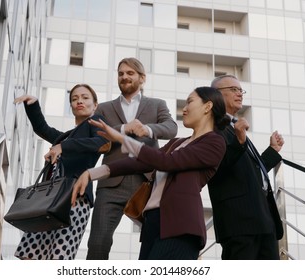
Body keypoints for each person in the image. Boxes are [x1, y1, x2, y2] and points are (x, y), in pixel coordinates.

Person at [72, 86, 230, 260]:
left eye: (189, 102)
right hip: (153, 223)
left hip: (180, 225)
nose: (184, 109)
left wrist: (121, 138)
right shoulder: (177, 143)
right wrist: (92, 173)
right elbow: (143, 162)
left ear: (207, 107)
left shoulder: (215, 142)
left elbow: (167, 162)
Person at [86, 57, 178, 259]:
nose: (124, 77)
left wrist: (147, 129)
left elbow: (172, 128)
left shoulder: (156, 105)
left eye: (130, 73)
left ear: (142, 78)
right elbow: (92, 134)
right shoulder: (104, 108)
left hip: (145, 182)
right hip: (110, 183)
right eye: (121, 73)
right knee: (97, 243)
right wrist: (122, 129)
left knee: (156, 239)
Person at [12, 84, 111, 260]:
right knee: (30, 257)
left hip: (74, 199)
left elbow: (99, 142)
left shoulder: (95, 123)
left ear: (95, 105)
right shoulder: (66, 136)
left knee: (59, 256)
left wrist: (62, 147)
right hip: (48, 200)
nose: (79, 101)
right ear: (71, 106)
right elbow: (43, 129)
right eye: (74, 99)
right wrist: (33, 105)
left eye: (85, 97)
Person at [207, 74, 285, 260]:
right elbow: (215, 167)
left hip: (263, 220)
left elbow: (251, 172)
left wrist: (273, 150)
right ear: (216, 95)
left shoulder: (236, 127)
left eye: (240, 90)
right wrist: (239, 142)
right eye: (233, 90)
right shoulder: (212, 126)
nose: (239, 94)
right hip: (238, 222)